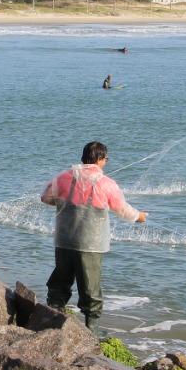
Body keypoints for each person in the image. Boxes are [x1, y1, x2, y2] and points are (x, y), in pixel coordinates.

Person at [40, 141, 146, 331]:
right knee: (90, 287)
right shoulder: (106, 183)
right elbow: (122, 209)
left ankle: (51, 322)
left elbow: (46, 197)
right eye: (105, 159)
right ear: (99, 159)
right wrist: (139, 217)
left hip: (64, 241)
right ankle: (91, 329)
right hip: (91, 244)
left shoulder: (63, 177)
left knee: (60, 281)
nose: (106, 162)